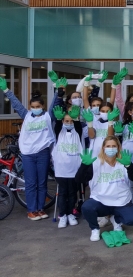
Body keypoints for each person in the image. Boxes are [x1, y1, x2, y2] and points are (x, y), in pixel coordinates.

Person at [1, 76, 55, 220]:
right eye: (33, 107)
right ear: (30, 107)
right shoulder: (27, 115)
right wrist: (7, 90)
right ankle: (32, 210)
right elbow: (17, 104)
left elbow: (55, 104)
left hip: (43, 152)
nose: (35, 109)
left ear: (42, 106)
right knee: (31, 183)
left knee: (42, 182)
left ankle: (40, 209)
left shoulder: (47, 116)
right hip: (28, 154)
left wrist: (58, 91)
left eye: (38, 107)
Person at [77, 136, 133, 241]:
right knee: (87, 207)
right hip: (101, 201)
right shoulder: (95, 162)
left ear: (118, 148)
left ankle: (116, 220)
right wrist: (84, 166)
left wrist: (129, 165)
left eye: (114, 146)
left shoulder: (123, 161)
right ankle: (95, 229)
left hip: (121, 201)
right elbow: (79, 180)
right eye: (108, 146)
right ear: (103, 148)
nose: (111, 148)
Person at [51, 106, 83, 228]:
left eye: (71, 121)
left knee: (72, 193)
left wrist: (77, 119)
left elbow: (79, 126)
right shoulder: (60, 132)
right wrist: (59, 120)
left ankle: (70, 213)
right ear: (63, 122)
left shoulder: (77, 132)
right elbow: (57, 126)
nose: (69, 123)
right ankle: (62, 215)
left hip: (74, 170)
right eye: (66, 121)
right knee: (63, 193)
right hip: (61, 170)